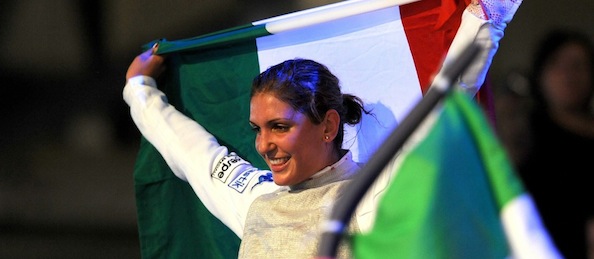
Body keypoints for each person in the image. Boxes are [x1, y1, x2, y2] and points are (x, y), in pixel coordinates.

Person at [123, 0, 520, 258]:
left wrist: (486, 17)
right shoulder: (257, 197)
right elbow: (194, 155)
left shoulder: (371, 196)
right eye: (257, 129)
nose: (263, 145)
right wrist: (138, 89)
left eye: (279, 127)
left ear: (328, 124)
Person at [501, 29, 594, 259]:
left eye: (577, 65)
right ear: (540, 73)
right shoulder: (525, 131)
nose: (568, 75)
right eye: (557, 64)